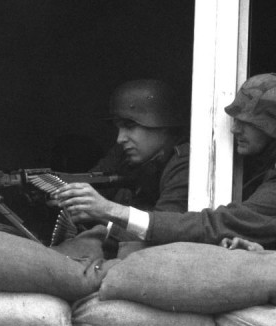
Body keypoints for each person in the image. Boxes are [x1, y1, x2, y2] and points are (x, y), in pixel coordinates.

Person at [54, 73, 276, 288]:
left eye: (247, 122)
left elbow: (215, 225)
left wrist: (113, 212)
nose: (235, 130)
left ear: (275, 128)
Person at [51, 78, 190, 254]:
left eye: (129, 127)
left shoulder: (184, 165)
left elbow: (162, 234)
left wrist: (104, 215)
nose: (120, 138)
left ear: (161, 124)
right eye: (119, 128)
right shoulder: (125, 154)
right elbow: (92, 184)